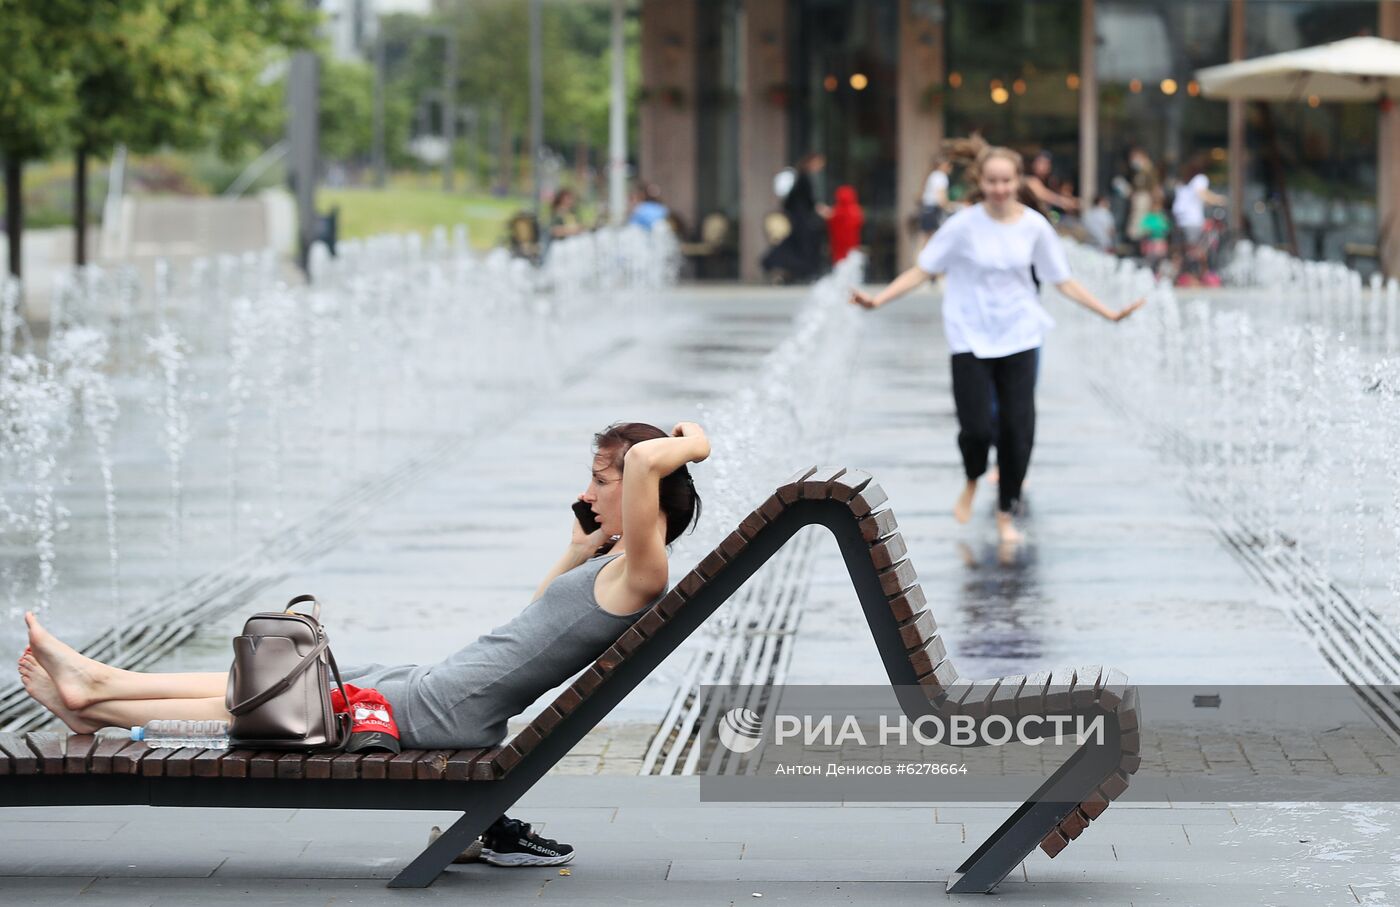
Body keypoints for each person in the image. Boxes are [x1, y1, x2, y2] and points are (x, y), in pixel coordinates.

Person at [17, 421, 710, 865]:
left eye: (601, 479)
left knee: (281, 701)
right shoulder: (614, 568)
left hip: (442, 710)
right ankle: (101, 687)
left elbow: (650, 457)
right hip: (437, 688)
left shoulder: (645, 572)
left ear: (647, 495)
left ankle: (98, 696)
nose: (587, 491)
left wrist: (694, 441)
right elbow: (528, 627)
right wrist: (574, 547)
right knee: (281, 678)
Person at [848, 147, 1143, 545]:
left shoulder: (1035, 227)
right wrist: (878, 299)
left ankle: (1007, 511)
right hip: (969, 336)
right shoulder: (963, 226)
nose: (1000, 188)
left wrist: (1108, 313)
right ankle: (972, 477)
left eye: (1007, 181)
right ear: (981, 183)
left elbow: (1063, 280)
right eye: (992, 181)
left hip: (1020, 335)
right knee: (976, 428)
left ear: (1017, 181)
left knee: (1017, 430)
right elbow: (924, 269)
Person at [761, 152, 829, 282]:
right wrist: (819, 209)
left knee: (797, 245)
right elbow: (807, 200)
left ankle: (795, 271)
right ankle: (800, 271)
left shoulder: (801, 176)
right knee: (801, 245)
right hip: (801, 219)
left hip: (799, 217)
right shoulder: (803, 177)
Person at [1025, 151, 1080, 220]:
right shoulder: (1029, 180)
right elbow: (1045, 195)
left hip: (1050, 218)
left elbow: (1066, 196)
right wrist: (1067, 202)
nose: (1043, 166)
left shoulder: (1052, 181)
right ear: (1033, 164)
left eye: (1046, 163)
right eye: (1040, 162)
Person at [917, 155, 955, 247]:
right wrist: (950, 208)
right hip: (933, 210)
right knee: (932, 238)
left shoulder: (933, 175)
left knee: (925, 238)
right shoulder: (941, 176)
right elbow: (941, 198)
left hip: (927, 208)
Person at [827, 185, 865, 264]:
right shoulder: (855, 210)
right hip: (849, 243)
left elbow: (831, 220)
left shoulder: (839, 210)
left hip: (842, 243)